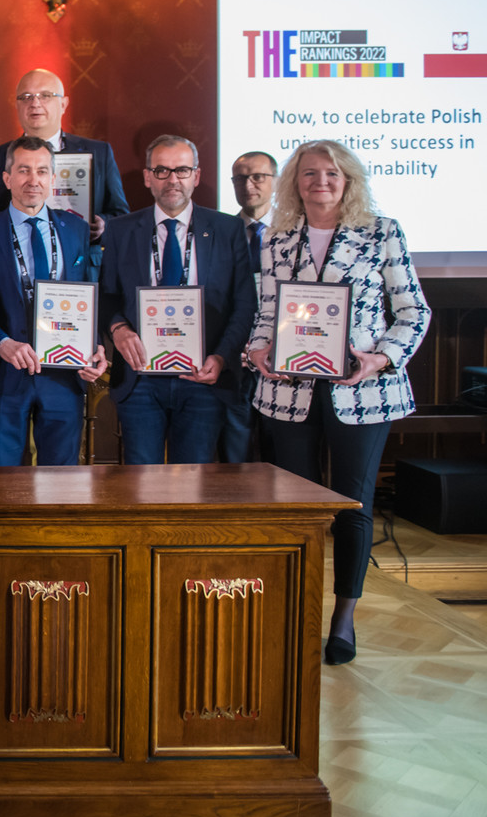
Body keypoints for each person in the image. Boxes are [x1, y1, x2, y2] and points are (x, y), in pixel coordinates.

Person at [246, 140, 430, 665]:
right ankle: (296, 611)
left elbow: (413, 311)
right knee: (294, 509)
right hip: (290, 389)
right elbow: (267, 314)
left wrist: (381, 358)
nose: (320, 182)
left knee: (353, 504)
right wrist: (257, 349)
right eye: (309, 173)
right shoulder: (278, 238)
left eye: (331, 173)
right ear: (295, 182)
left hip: (362, 391)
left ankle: (343, 617)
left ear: (348, 180)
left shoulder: (382, 232)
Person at [99, 136, 255, 465]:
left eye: (182, 170)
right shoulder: (120, 230)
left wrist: (222, 357)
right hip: (140, 378)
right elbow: (107, 295)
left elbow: (244, 304)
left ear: (196, 176)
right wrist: (118, 329)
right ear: (147, 177)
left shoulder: (228, 229)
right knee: (141, 482)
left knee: (193, 483)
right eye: (162, 170)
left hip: (203, 376)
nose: (172, 179)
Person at [0, 137, 108, 466]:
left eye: (42, 171)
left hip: (65, 375)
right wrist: (0, 342)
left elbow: (88, 293)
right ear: (7, 178)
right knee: (4, 479)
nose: (33, 180)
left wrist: (94, 346)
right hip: (5, 374)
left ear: (52, 178)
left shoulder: (76, 230)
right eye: (24, 170)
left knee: (61, 480)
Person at [0, 68, 130, 241]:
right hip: (15, 255)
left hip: (81, 254)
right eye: (26, 97)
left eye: (45, 96)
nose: (35, 103)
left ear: (63, 104)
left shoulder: (99, 153)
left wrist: (103, 225)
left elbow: (120, 214)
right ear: (17, 105)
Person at [219, 150, 278, 463]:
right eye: (240, 178)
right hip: (235, 361)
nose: (248, 184)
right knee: (234, 458)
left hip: (279, 360)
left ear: (275, 181)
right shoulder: (220, 232)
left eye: (258, 177)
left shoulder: (294, 233)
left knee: (280, 456)